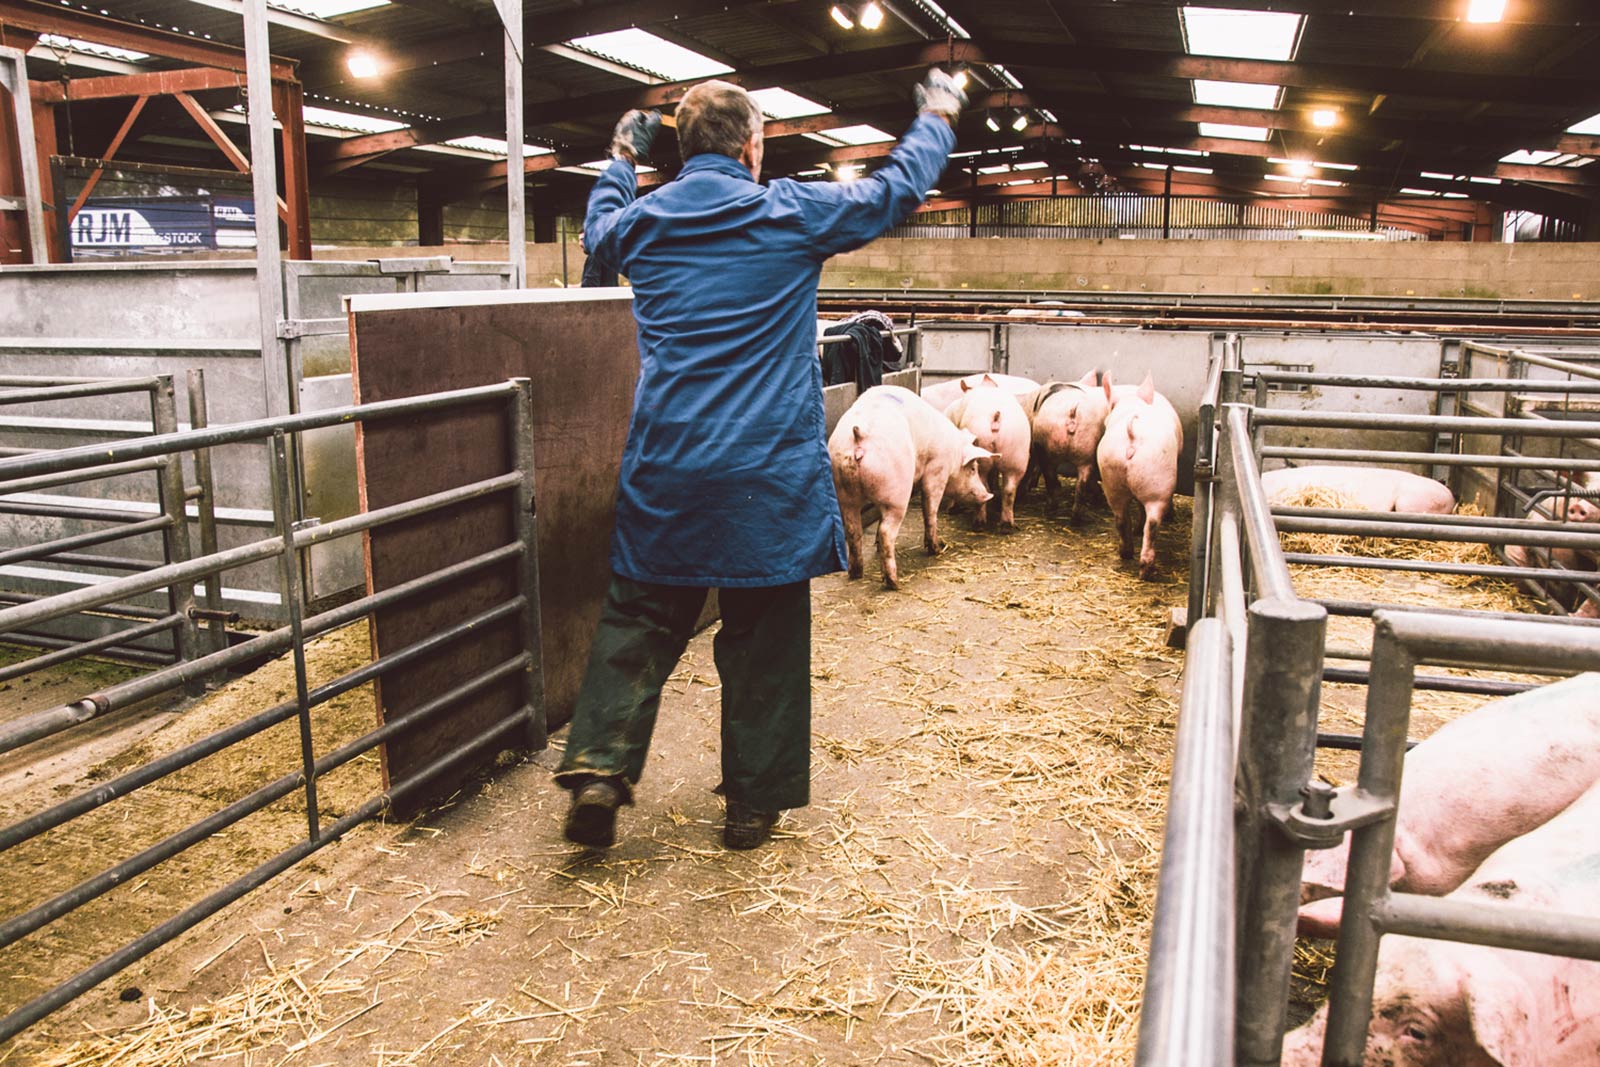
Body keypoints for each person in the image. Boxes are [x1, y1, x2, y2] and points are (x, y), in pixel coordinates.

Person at [555, 70, 965, 851]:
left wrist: (619, 159)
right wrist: (937, 117)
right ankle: (750, 805)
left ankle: (599, 771)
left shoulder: (644, 221)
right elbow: (893, 192)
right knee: (765, 634)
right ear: (753, 146)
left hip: (668, 466)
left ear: (681, 150)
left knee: (638, 617)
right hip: (764, 474)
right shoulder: (788, 212)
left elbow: (597, 230)